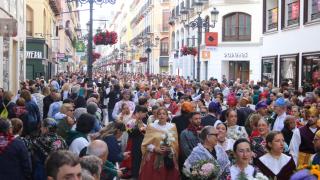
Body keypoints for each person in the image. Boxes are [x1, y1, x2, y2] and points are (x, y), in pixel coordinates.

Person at [139, 107, 180, 180]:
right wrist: (155, 148)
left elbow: (175, 144)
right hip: (153, 157)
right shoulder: (151, 126)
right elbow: (145, 144)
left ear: (167, 116)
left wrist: (169, 148)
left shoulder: (172, 127)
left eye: (164, 114)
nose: (162, 116)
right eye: (159, 114)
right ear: (157, 116)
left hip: (168, 157)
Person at [120, 105, 148, 179]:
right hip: (132, 142)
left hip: (140, 143)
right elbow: (129, 131)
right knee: (133, 158)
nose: (145, 116)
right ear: (140, 112)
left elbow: (145, 133)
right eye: (144, 114)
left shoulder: (143, 122)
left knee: (138, 159)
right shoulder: (131, 121)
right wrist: (140, 129)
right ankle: (133, 174)